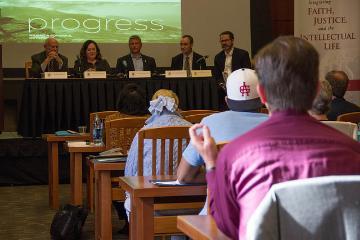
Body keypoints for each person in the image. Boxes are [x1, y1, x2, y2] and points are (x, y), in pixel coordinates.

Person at [189, 36, 360, 240]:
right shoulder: (353, 151)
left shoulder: (235, 157)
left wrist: (212, 165)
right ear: (316, 91)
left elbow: (226, 226)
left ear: (261, 94)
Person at [177, 68, 268, 214]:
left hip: (217, 217)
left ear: (226, 100)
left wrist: (222, 174)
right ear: (263, 98)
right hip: (265, 217)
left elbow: (184, 176)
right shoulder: (278, 125)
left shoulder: (208, 124)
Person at [123, 89, 192, 216]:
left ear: (154, 105)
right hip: (189, 200)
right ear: (176, 104)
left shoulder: (144, 132)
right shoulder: (192, 129)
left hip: (150, 201)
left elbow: (130, 171)